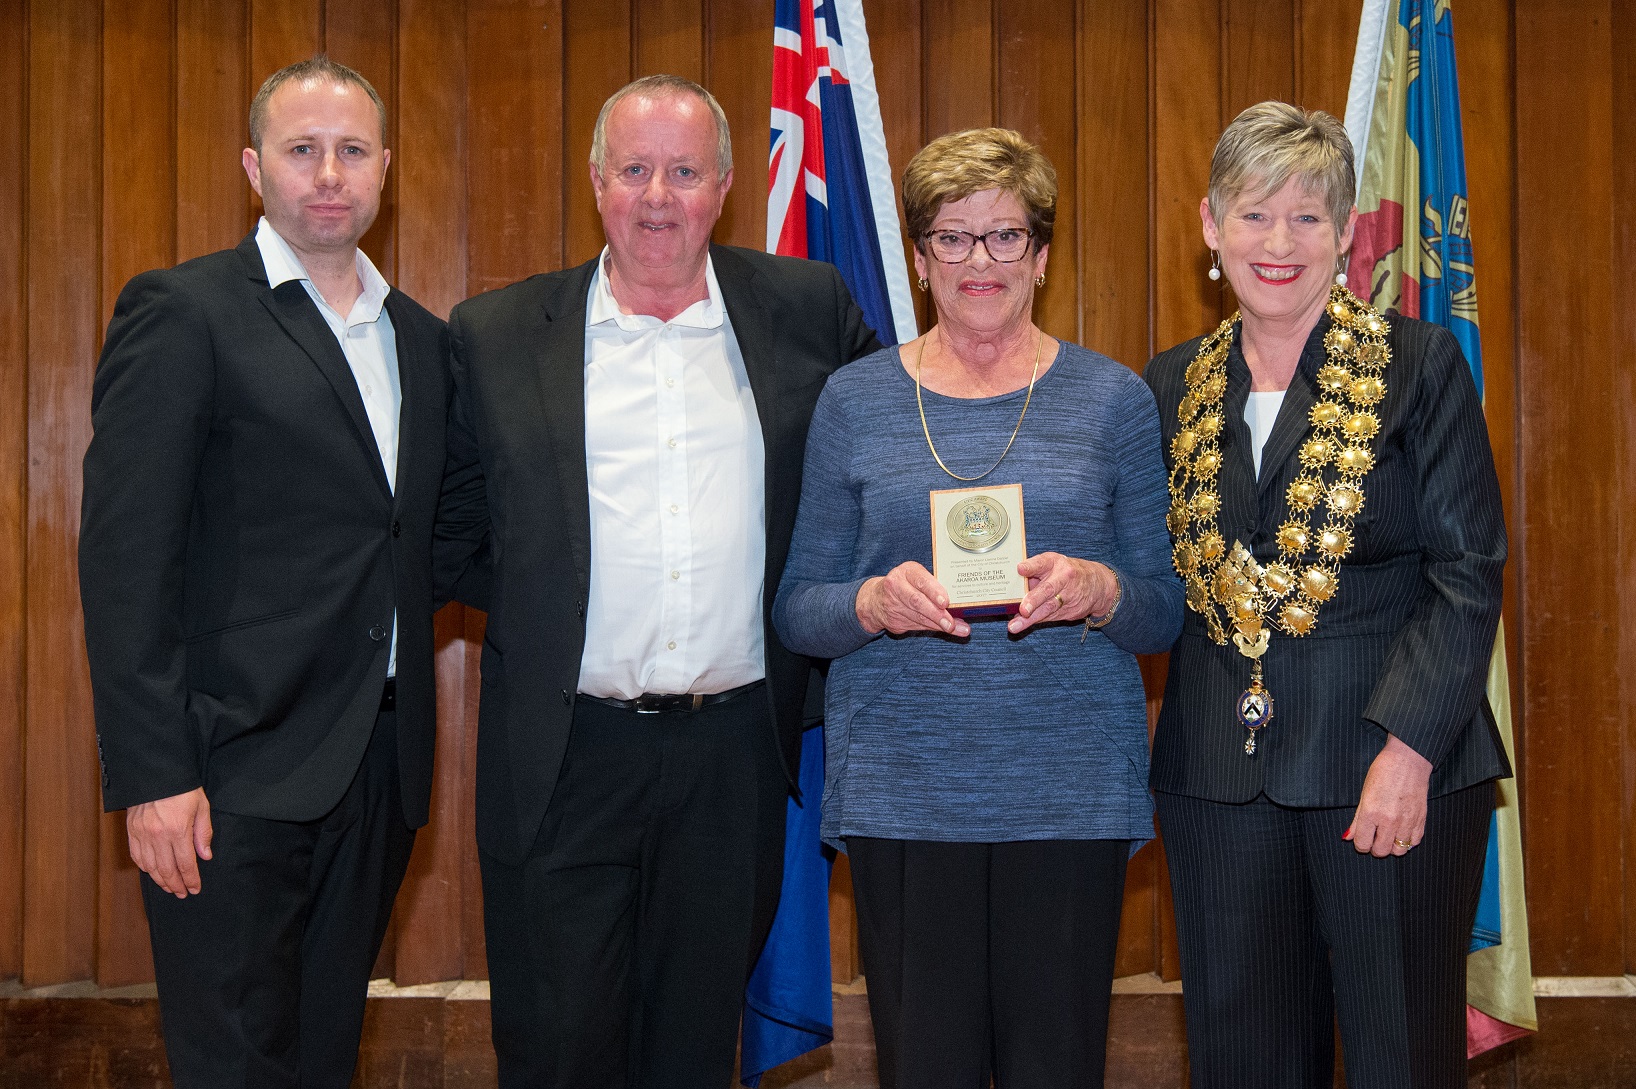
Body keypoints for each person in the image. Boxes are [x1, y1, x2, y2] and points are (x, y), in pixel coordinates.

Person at [433, 74, 879, 1088]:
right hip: (564, 758)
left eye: (683, 171)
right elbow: (448, 531)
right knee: (556, 1054)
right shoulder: (497, 335)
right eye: (634, 169)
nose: (657, 196)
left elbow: (894, 451)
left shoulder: (804, 310)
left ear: (725, 184)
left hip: (733, 757)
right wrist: (555, 599)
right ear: (596, 182)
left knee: (690, 1050)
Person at [772, 127, 1183, 1089]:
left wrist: (1102, 589)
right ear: (919, 260)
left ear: (1042, 255)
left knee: (1057, 1066)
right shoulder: (854, 400)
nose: (979, 261)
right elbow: (799, 608)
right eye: (952, 238)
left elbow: (1164, 610)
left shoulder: (1114, 400)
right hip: (905, 796)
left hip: (1068, 791)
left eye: (1005, 236)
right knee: (929, 1069)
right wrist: (873, 601)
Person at [77, 56, 449, 1089]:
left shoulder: (420, 341)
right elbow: (123, 557)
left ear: (386, 170)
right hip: (226, 773)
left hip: (377, 767)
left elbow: (422, 539)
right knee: (235, 1064)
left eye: (352, 150)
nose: (328, 173)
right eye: (301, 150)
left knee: (325, 1054)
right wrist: (154, 774)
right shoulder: (184, 311)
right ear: (255, 168)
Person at [1144, 101, 1510, 1088]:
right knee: (1243, 1062)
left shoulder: (1420, 366)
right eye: (1254, 214)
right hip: (1219, 779)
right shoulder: (1169, 384)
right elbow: (1151, 573)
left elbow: (1465, 567)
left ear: (1346, 235)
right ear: (1209, 226)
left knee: (1398, 1054)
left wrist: (1410, 748)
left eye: (1308, 217)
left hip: (1385, 771)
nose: (1279, 242)